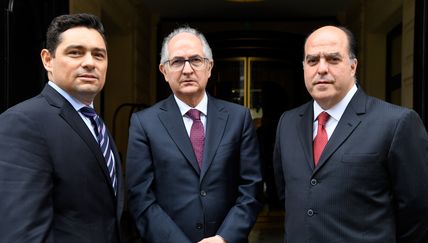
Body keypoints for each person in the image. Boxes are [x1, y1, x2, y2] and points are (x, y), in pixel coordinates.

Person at [273, 25, 428, 243]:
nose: (321, 69)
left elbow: (418, 210)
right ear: (303, 68)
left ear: (353, 66)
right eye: (312, 61)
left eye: (333, 59)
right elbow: (288, 194)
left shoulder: (396, 123)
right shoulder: (288, 123)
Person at [126, 26, 262, 243]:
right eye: (177, 61)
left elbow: (251, 187)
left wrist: (224, 238)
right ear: (164, 71)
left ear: (209, 67)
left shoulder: (239, 118)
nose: (187, 70)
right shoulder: (144, 123)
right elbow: (140, 197)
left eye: (196, 60)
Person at [0, 13, 124, 242]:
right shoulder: (23, 122)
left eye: (99, 55)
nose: (89, 62)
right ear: (48, 59)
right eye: (75, 52)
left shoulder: (95, 124)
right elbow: (22, 233)